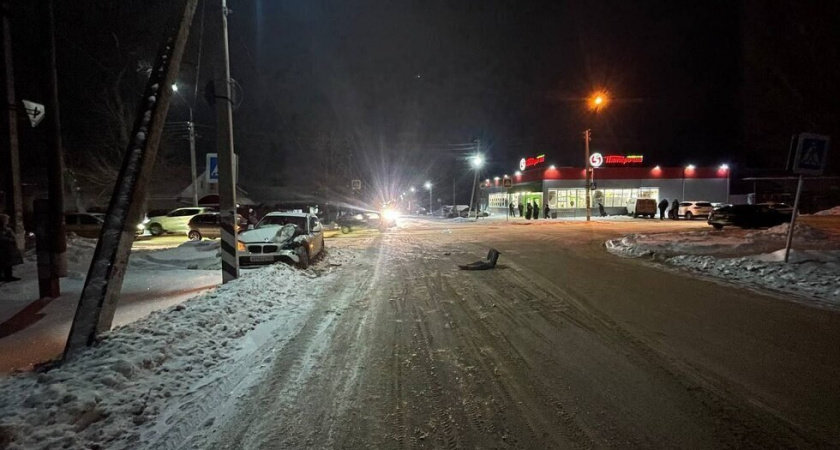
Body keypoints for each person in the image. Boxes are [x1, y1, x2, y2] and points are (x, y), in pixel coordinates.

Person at [0, 214, 23, 282]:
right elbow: (2, 238)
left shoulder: (6, 228)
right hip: (3, 249)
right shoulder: (3, 229)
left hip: (7, 248)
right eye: (6, 220)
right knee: (5, 263)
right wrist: (10, 239)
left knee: (8, 263)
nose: (7, 221)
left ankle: (8, 276)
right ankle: (6, 276)